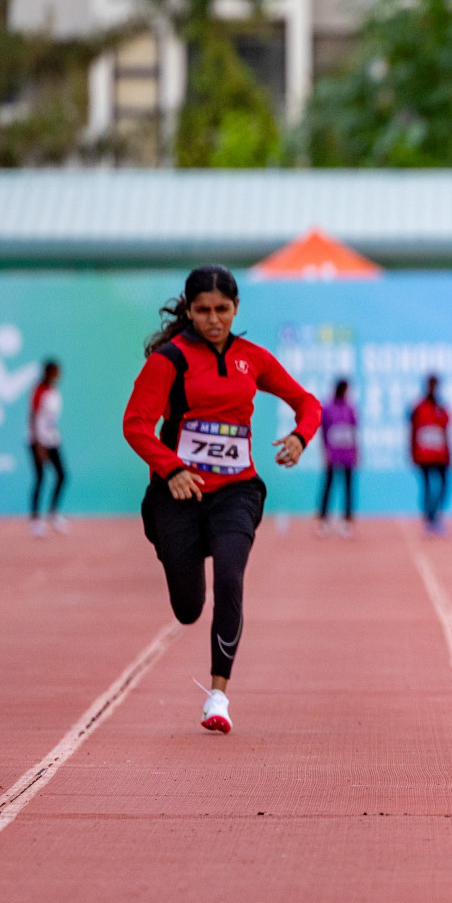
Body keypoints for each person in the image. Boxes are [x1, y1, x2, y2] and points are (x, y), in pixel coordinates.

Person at [123, 265, 321, 733]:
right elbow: (136, 424)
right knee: (189, 607)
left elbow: (307, 402)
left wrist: (300, 436)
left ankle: (218, 697)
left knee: (231, 576)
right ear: (189, 310)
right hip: (178, 495)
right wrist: (171, 468)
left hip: (237, 491)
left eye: (223, 310)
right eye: (204, 310)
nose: (214, 319)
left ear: (236, 309)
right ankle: (177, 553)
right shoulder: (167, 362)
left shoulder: (253, 358)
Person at [28, 359, 69, 537]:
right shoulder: (39, 390)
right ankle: (36, 520)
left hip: (52, 439)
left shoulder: (54, 390)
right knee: (40, 478)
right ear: (50, 372)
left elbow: (50, 418)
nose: (60, 374)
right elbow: (33, 416)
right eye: (57, 371)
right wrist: (38, 444)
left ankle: (53, 512)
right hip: (38, 440)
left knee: (62, 475)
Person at [410, 375, 452, 536]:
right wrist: (412, 452)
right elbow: (412, 431)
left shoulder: (442, 407)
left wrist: (449, 453)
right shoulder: (418, 407)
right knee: (427, 487)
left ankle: (437, 516)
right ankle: (429, 519)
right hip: (424, 455)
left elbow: (445, 431)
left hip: (441, 455)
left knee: (443, 486)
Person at [318, 378, 358, 537]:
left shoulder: (350, 408)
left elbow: (354, 431)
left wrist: (355, 452)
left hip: (347, 454)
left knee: (348, 487)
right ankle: (323, 520)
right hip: (333, 454)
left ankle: (347, 520)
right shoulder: (328, 408)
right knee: (328, 485)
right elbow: (324, 431)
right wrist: (325, 451)